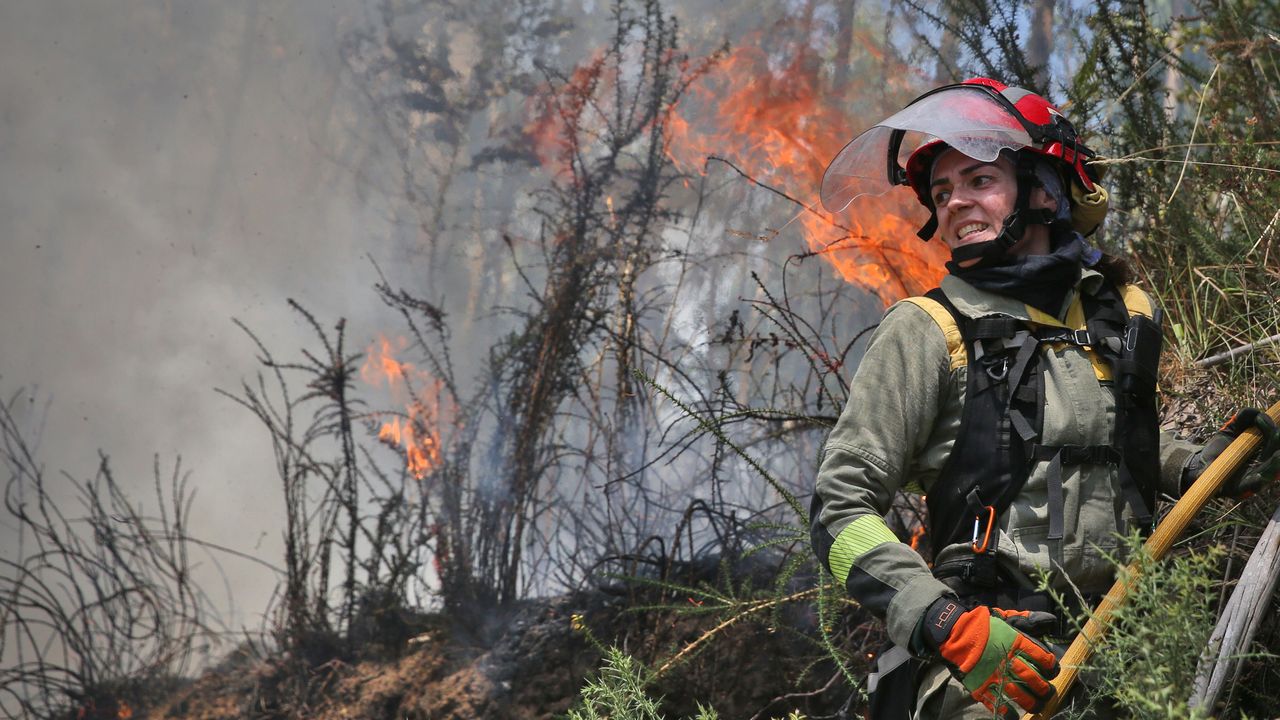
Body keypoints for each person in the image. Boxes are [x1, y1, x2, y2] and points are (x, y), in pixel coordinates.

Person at [809, 77, 1280, 719]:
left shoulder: (1125, 315)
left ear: (1043, 188)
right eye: (942, 192)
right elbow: (839, 507)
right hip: (991, 663)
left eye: (978, 181)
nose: (954, 204)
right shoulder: (928, 330)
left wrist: (1200, 466)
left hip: (1130, 646)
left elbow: (1114, 441)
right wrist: (946, 624)